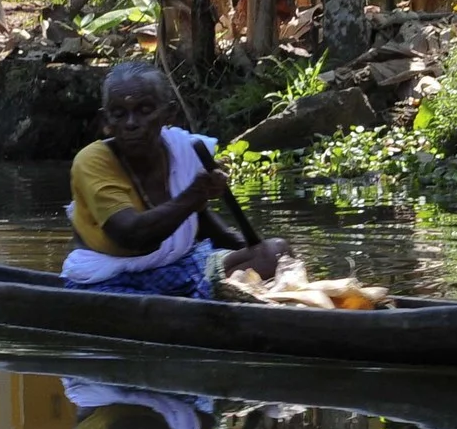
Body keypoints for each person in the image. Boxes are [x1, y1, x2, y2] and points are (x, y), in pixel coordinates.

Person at [61, 61, 289, 297]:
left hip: (180, 264)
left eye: (145, 110)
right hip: (109, 278)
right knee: (157, 307)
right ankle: (198, 302)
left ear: (169, 113)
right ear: (107, 121)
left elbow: (200, 222)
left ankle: (202, 298)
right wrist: (194, 195)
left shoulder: (185, 149)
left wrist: (250, 249)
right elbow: (132, 236)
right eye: (119, 114)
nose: (131, 123)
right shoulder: (92, 161)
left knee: (276, 254)